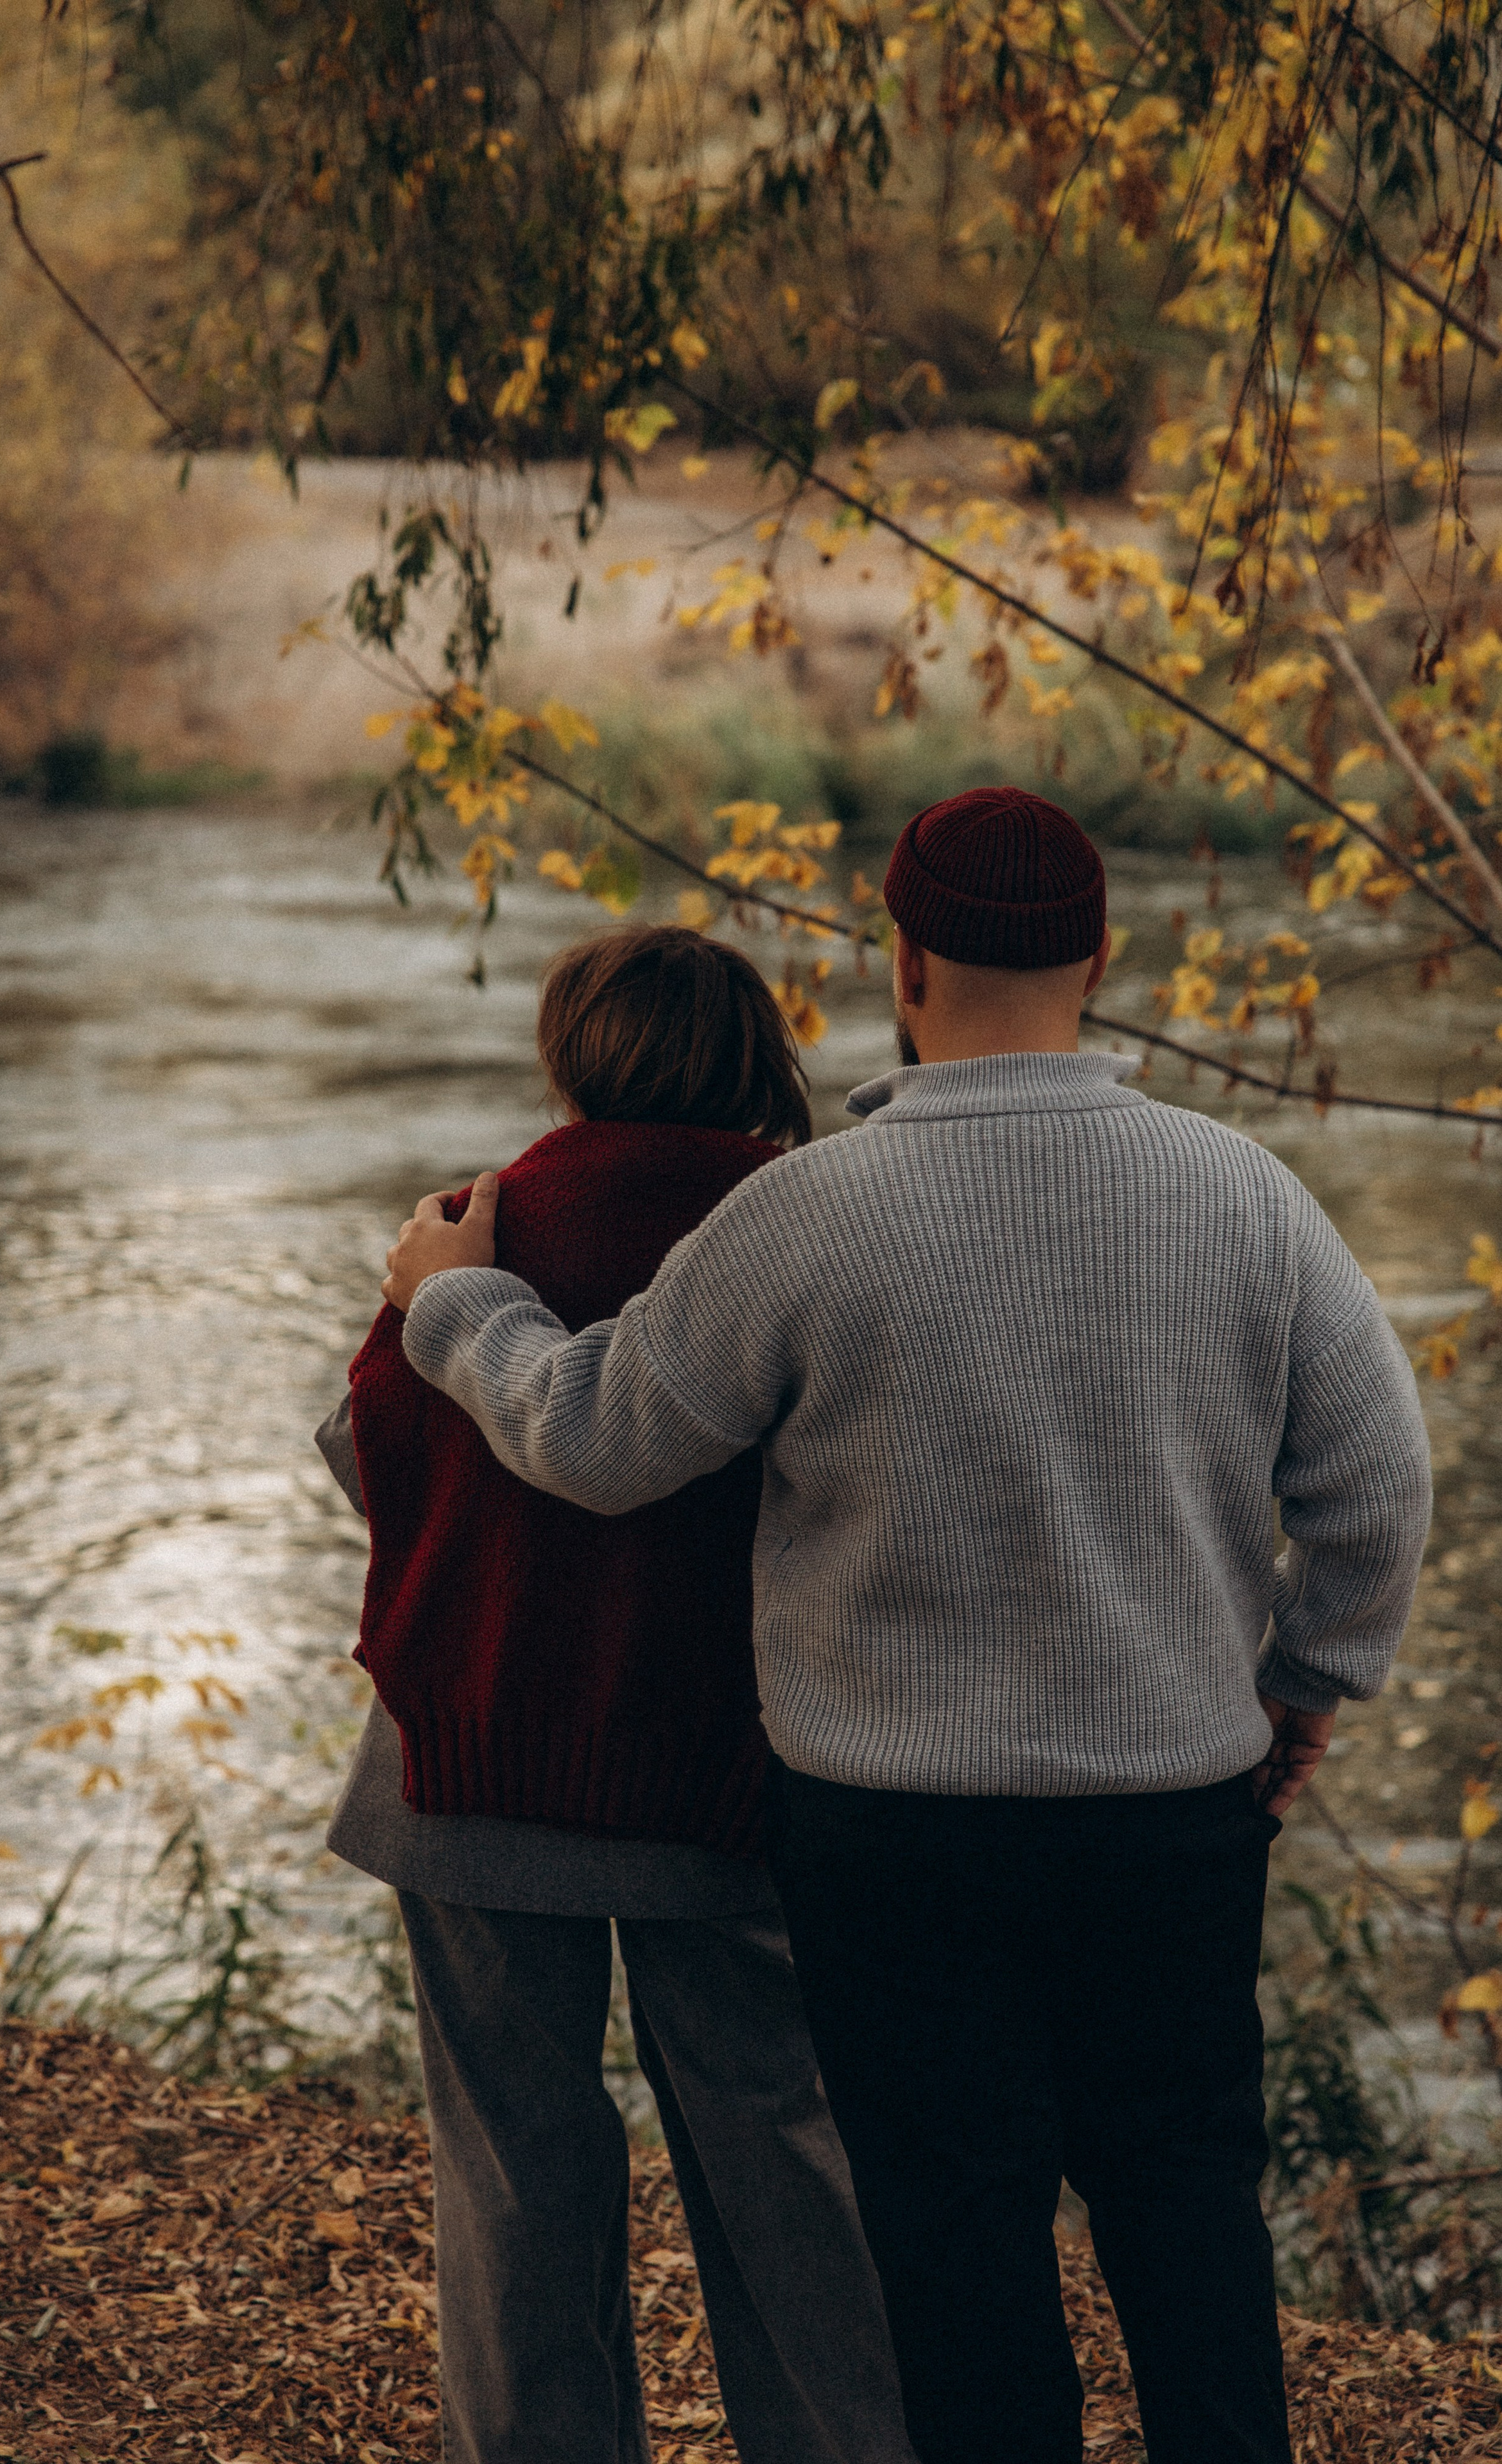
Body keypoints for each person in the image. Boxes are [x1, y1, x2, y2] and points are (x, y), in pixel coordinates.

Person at [379, 788, 1434, 2464]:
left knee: (956, 2238)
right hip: (1169, 1812)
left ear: (902, 958)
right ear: (1099, 956)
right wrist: (1311, 1679)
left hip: (890, 1833)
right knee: (1184, 2205)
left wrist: (457, 1305)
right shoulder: (1243, 1197)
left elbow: (594, 1437)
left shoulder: (806, 1217)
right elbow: (1378, 1488)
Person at [315, 923, 912, 2464]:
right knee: (781, 2146)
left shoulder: (475, 1222)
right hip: (720, 1772)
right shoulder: (798, 1229)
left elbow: (361, 1454)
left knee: (513, 2164)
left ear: (573, 1052)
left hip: (466, 1755)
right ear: (750, 1055)